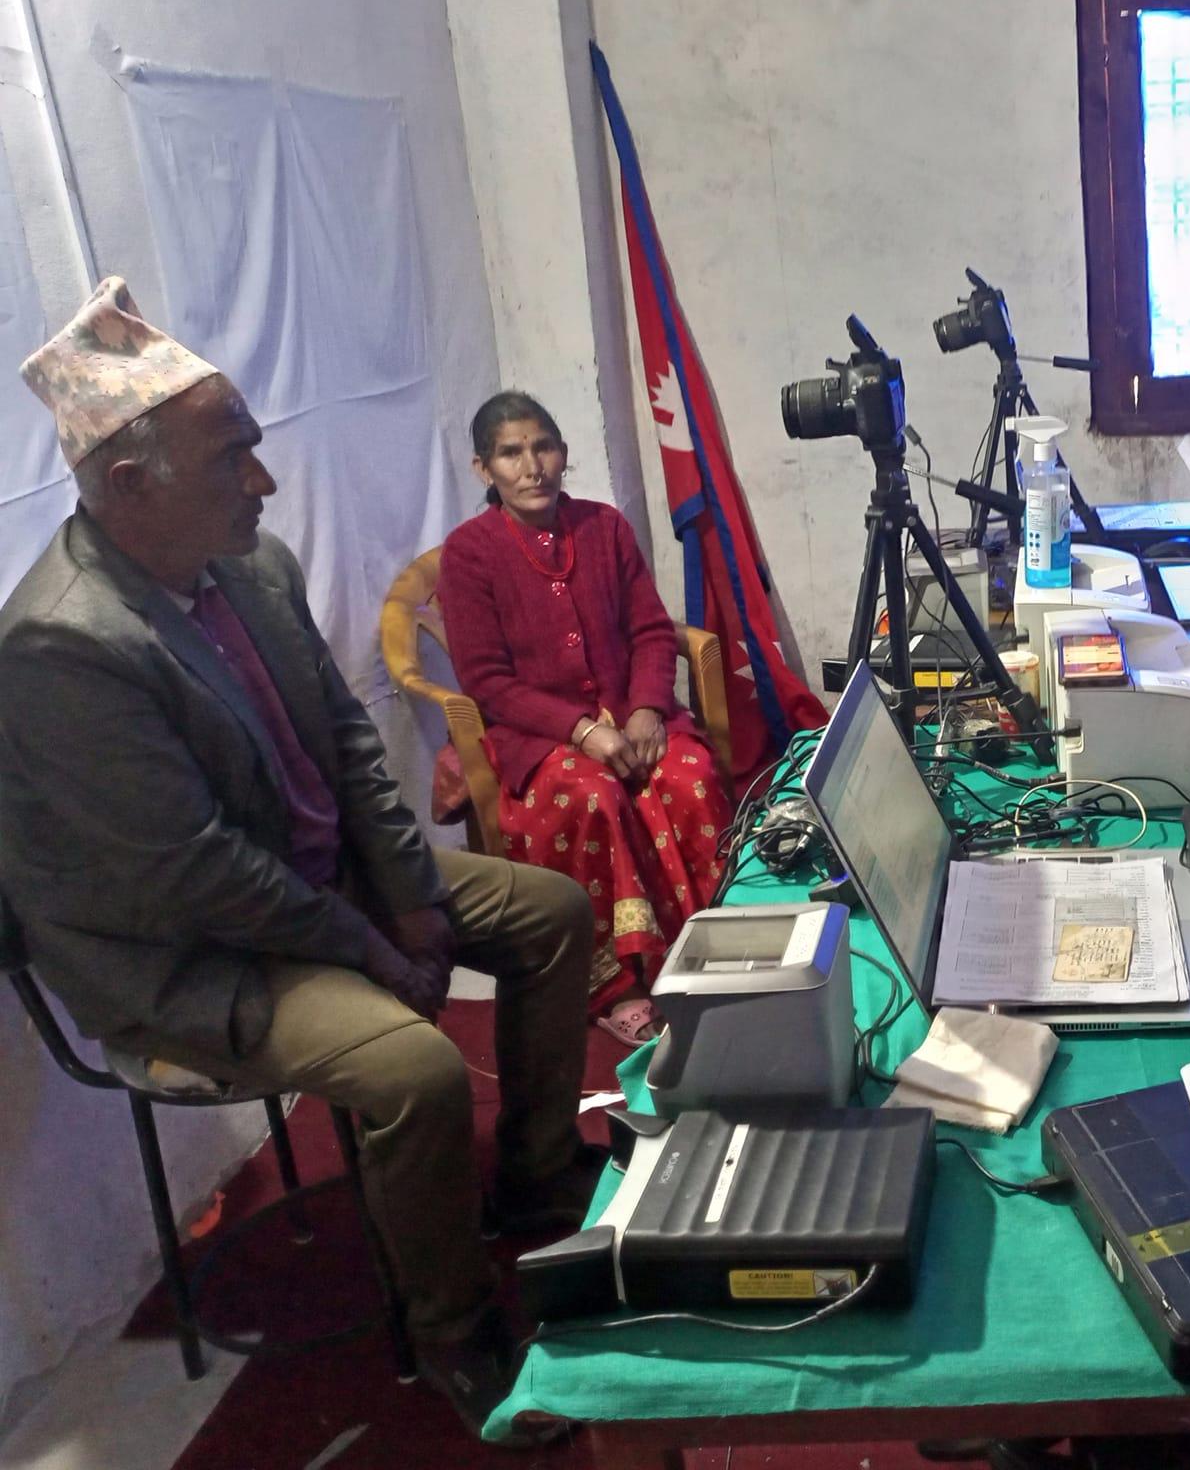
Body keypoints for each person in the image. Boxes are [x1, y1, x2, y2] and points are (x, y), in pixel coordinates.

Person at [0, 279, 597, 1446]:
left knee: (554, 912)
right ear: (130, 485)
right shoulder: (62, 644)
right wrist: (375, 944)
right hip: (188, 951)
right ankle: (452, 1328)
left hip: (308, 884)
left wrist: (411, 898)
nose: (264, 483)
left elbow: (347, 745)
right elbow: (196, 875)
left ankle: (533, 1176)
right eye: (232, 459)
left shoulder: (250, 567)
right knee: (414, 1067)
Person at [436, 391, 731, 1047]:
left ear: (563, 452)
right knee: (593, 797)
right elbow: (487, 681)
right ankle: (617, 985)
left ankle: (721, 945)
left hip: (631, 713)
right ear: (484, 469)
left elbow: (651, 631)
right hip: (539, 736)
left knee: (690, 778)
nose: (531, 466)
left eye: (543, 447)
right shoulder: (469, 553)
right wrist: (582, 731)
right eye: (510, 453)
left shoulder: (605, 528)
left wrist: (647, 708)